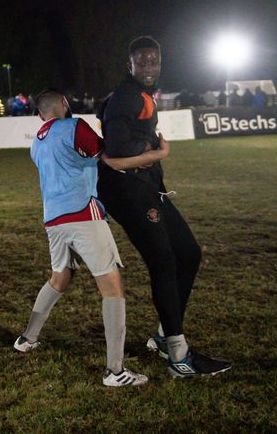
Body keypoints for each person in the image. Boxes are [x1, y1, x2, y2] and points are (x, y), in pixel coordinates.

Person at [97, 36, 231, 377]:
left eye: (153, 61)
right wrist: (155, 150)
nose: (148, 67)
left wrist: (150, 154)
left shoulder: (136, 96)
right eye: (141, 61)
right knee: (164, 261)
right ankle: (179, 355)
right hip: (129, 192)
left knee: (188, 253)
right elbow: (115, 150)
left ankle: (162, 335)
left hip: (148, 188)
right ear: (129, 64)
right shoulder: (126, 97)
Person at [15, 89, 157, 387]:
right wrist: (150, 152)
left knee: (60, 278)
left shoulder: (36, 144)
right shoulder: (75, 126)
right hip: (82, 214)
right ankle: (115, 371)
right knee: (112, 286)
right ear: (65, 104)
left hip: (53, 219)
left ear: (40, 114)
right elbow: (110, 155)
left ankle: (27, 339)